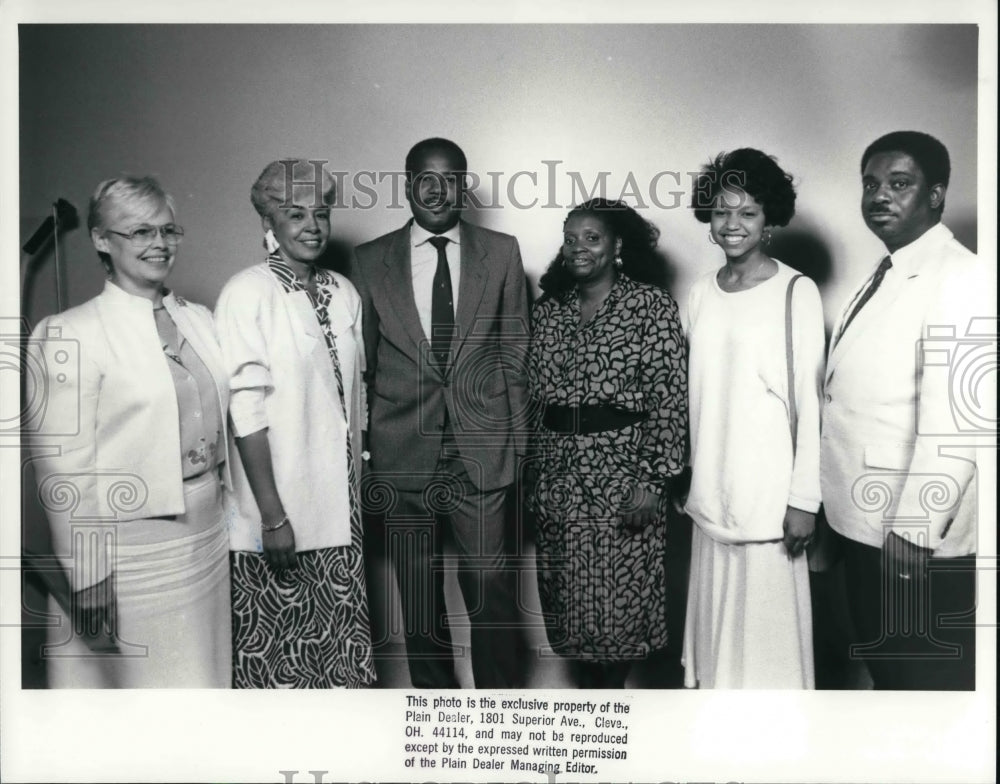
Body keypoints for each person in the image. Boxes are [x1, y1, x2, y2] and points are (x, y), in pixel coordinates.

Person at [26, 176, 232, 687]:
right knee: (141, 696)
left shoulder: (199, 320)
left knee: (202, 684)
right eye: (139, 232)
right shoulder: (70, 333)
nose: (158, 244)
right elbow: (65, 470)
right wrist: (89, 576)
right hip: (131, 554)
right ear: (101, 240)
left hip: (208, 535)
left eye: (167, 230)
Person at [351, 138, 528, 688]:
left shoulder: (501, 252)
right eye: (424, 178)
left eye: (449, 177)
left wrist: (519, 449)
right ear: (407, 185)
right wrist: (369, 450)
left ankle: (502, 717)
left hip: (481, 451)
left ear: (462, 186)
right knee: (419, 598)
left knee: (490, 591)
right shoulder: (369, 259)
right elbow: (367, 365)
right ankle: (439, 719)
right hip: (404, 449)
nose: (436, 188)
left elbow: (515, 355)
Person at [821, 131, 991, 690]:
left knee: (925, 683)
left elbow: (961, 418)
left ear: (936, 195)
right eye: (870, 183)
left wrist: (917, 526)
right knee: (889, 674)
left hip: (910, 530)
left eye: (899, 184)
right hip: (865, 520)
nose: (879, 196)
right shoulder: (889, 269)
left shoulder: (960, 275)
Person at [215, 159, 375, 688]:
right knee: (280, 664)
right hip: (278, 507)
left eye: (321, 213)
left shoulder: (344, 291)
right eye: (295, 213)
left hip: (339, 504)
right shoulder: (247, 293)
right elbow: (245, 408)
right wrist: (272, 516)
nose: (312, 225)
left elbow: (357, 397)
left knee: (336, 662)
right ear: (270, 222)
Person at [527, 198, 688, 688]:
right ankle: (595, 730)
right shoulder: (549, 310)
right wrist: (535, 477)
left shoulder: (649, 305)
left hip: (623, 474)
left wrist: (654, 481)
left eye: (591, 238)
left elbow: (669, 397)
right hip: (559, 477)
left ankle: (612, 723)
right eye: (570, 238)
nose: (578, 248)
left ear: (617, 245)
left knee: (618, 612)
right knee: (572, 611)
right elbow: (534, 399)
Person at [682, 149, 825, 688]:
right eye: (722, 212)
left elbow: (810, 405)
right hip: (710, 493)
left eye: (747, 213)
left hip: (769, 498)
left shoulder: (796, 291)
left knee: (768, 660)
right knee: (717, 649)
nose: (732, 224)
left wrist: (803, 501)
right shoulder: (699, 292)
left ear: (769, 221)